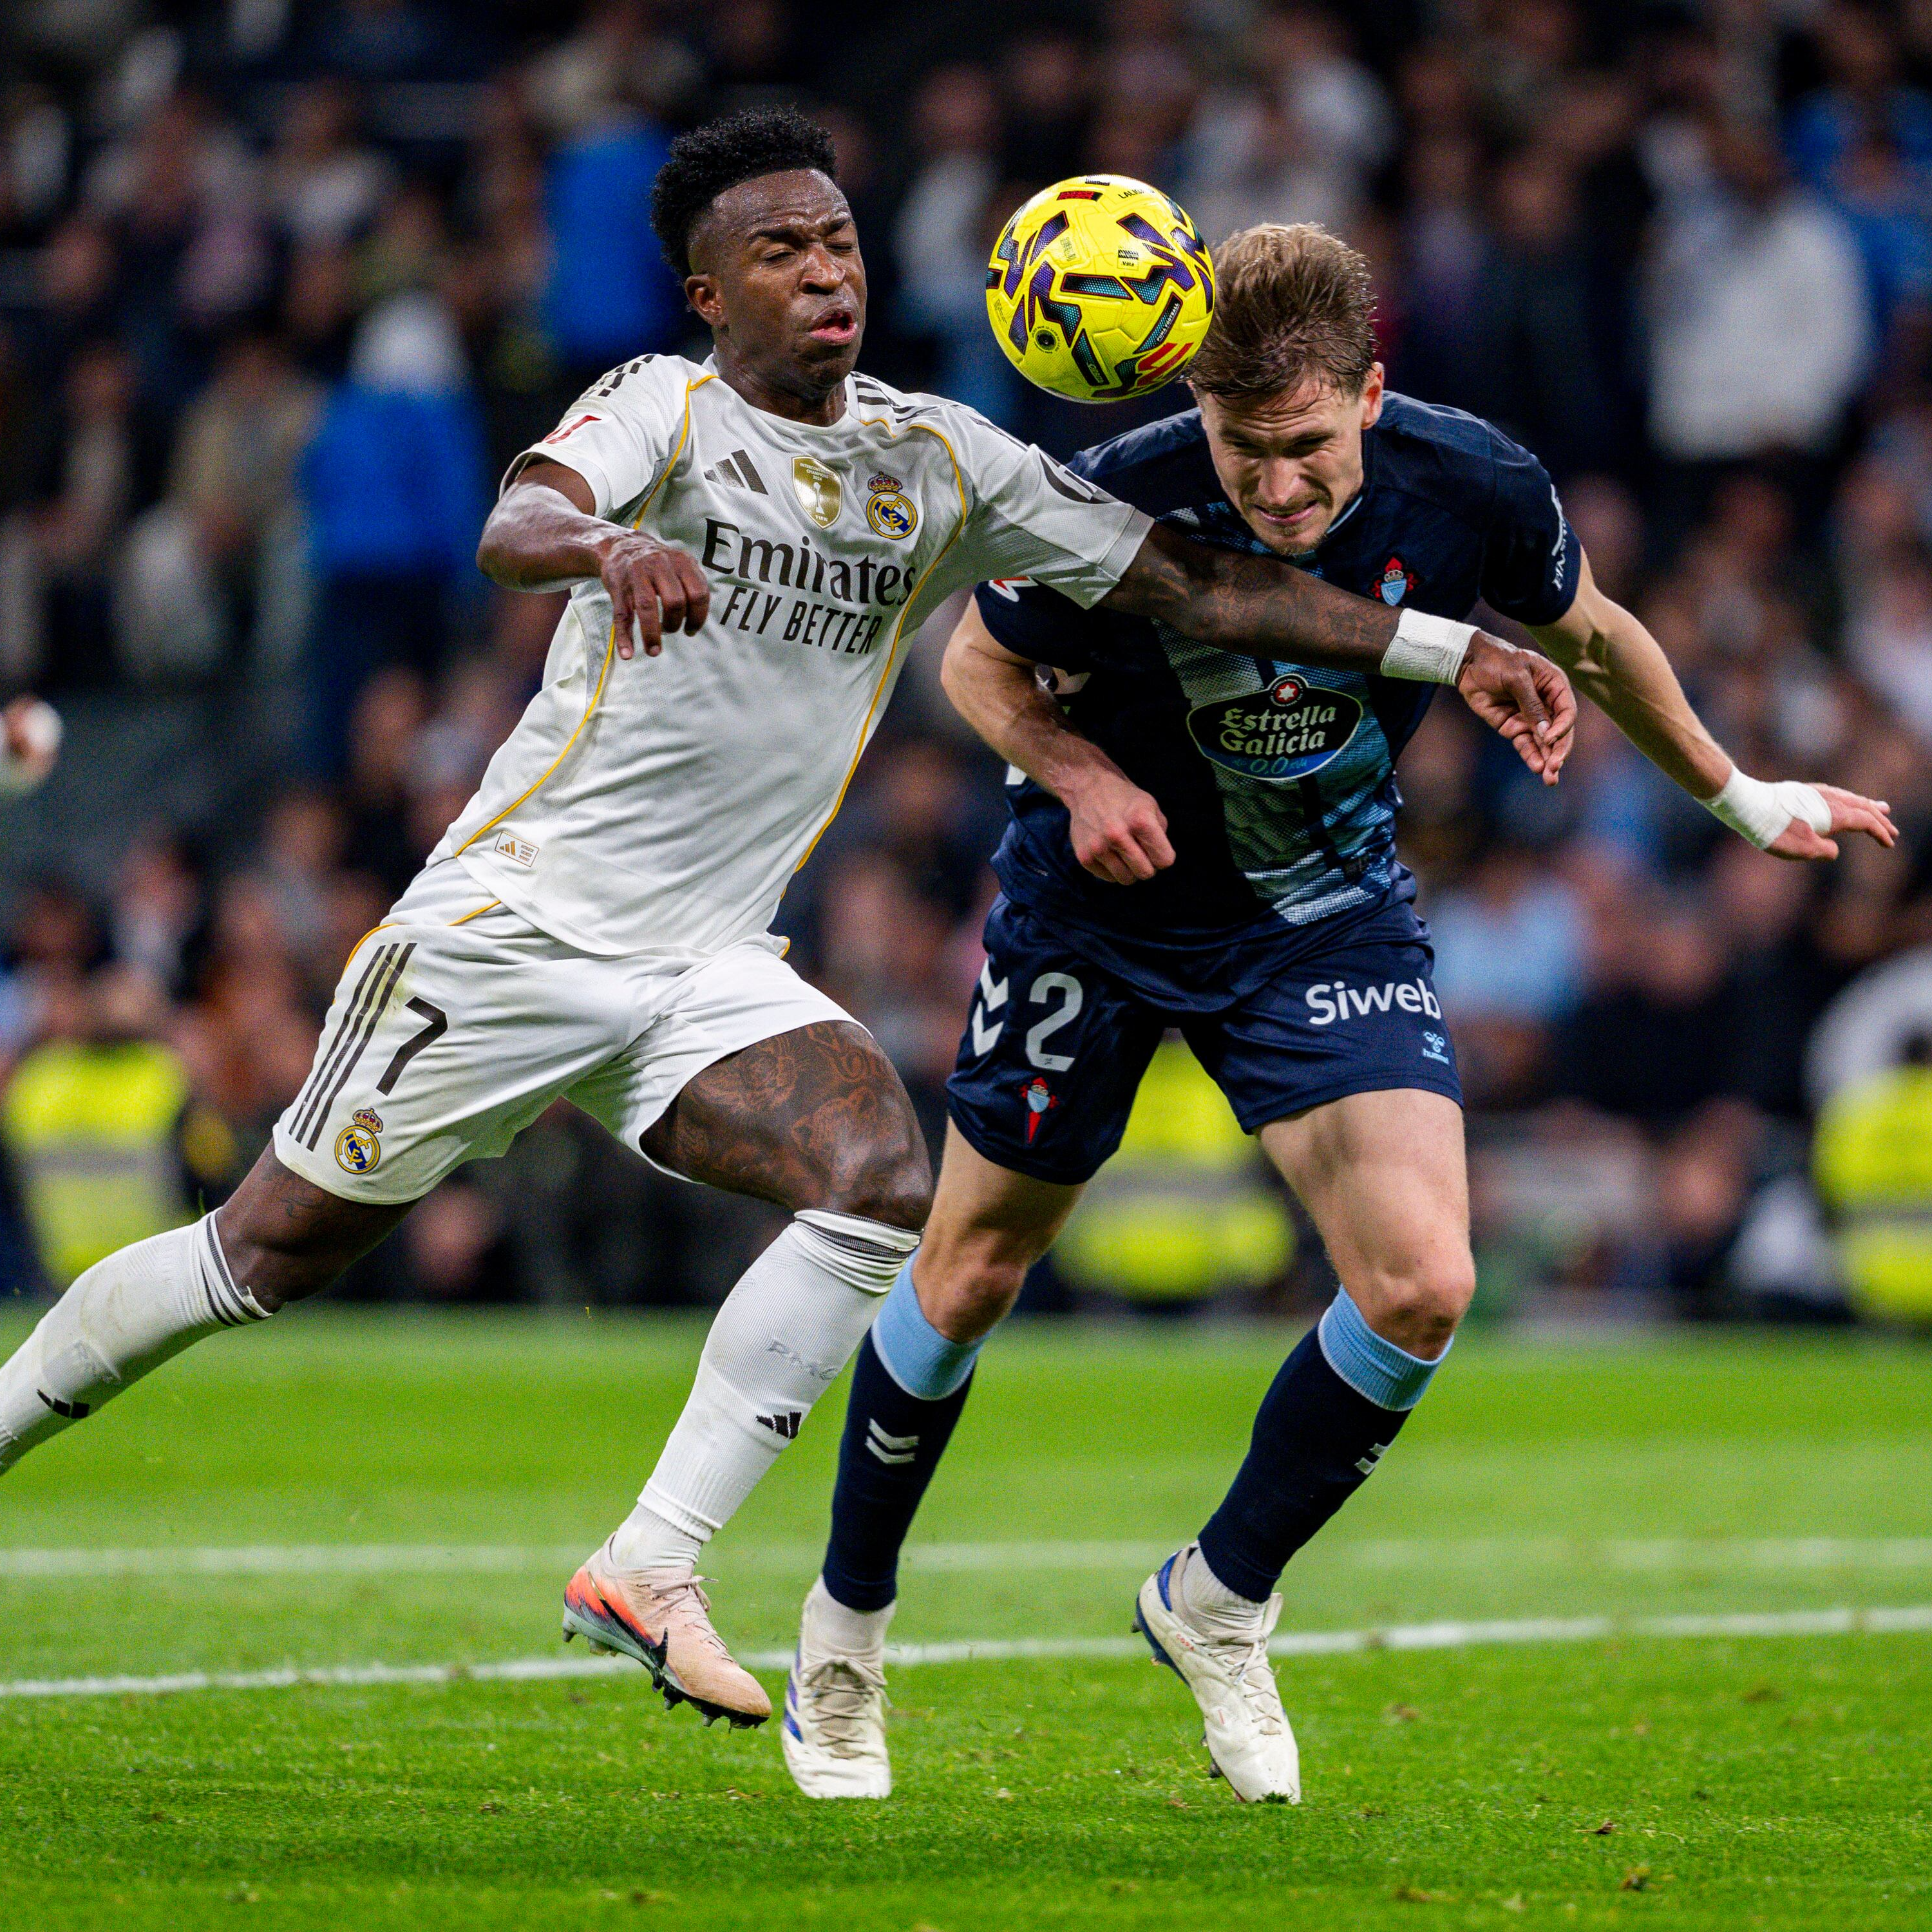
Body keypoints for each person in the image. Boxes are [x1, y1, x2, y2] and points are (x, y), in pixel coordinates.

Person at [0, 118, 1563, 1733]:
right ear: (707, 291)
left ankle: (650, 1565)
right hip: (514, 932)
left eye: (840, 245)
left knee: (884, 1184)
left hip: (705, 965)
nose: (826, 273)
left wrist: (1449, 650)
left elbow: (1204, 587)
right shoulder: (657, 412)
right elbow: (515, 523)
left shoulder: (940, 459)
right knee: (264, 1254)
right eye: (780, 252)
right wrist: (613, 543)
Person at [782, 222, 1899, 1802]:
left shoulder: (1474, 484)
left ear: (1371, 395)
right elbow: (976, 666)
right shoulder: (1121, 487)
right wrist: (1087, 776)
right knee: (967, 1272)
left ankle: (1219, 1600)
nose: (1277, 487)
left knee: (1425, 1282)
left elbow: (1598, 637)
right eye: (1247, 450)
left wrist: (1741, 797)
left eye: (1305, 448)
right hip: (1093, 912)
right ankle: (843, 1637)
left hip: (1319, 913)